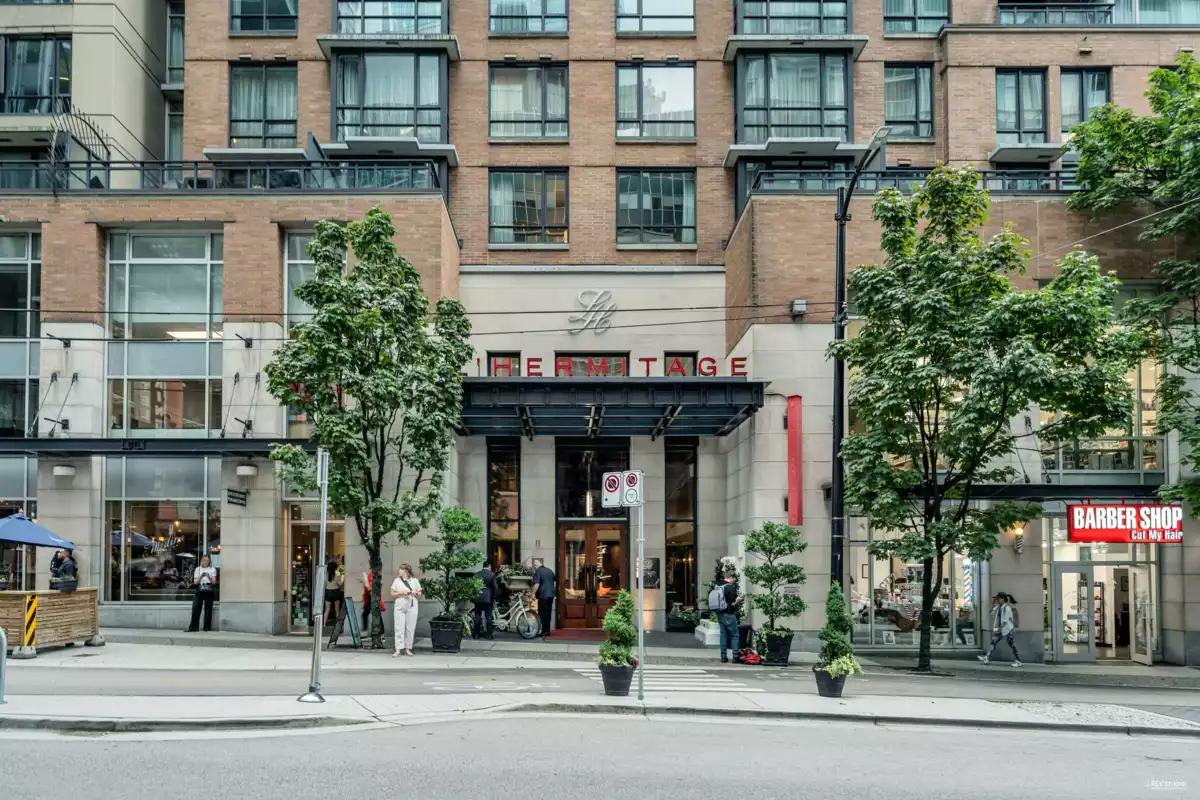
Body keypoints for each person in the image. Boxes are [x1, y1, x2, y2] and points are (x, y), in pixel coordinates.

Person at [977, 592, 1021, 666]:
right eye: (997, 599)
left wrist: (1000, 628)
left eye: (998, 599)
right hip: (1001, 629)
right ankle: (987, 657)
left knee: (1012, 645)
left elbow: (1005, 620)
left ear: (1003, 599)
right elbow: (991, 613)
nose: (997, 600)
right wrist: (994, 605)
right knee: (993, 642)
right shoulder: (999, 607)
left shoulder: (1007, 608)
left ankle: (1018, 661)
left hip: (1008, 629)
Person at [711, 571, 742, 664]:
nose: (735, 580)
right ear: (730, 577)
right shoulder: (730, 587)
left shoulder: (718, 586)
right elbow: (731, 604)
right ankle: (735, 656)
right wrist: (738, 600)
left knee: (723, 634)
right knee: (735, 635)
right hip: (729, 614)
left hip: (719, 613)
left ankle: (723, 657)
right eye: (734, 578)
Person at [390, 563, 422, 657]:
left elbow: (419, 591)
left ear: (406, 571)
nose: (399, 571)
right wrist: (403, 592)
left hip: (412, 604)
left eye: (401, 569)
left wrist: (416, 593)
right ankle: (398, 649)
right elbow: (392, 593)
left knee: (410, 627)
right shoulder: (397, 581)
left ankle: (408, 648)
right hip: (400, 604)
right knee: (399, 627)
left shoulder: (414, 581)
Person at [186, 555, 218, 632]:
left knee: (208, 608)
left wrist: (208, 577)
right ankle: (193, 627)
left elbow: (214, 582)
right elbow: (195, 582)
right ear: (202, 561)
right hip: (200, 588)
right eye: (204, 560)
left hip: (209, 588)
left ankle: (206, 627)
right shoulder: (198, 569)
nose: (206, 562)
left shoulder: (212, 569)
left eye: (207, 560)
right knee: (196, 607)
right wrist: (201, 577)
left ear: (209, 561)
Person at [531, 558, 556, 639]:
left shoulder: (538, 571)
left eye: (534, 566)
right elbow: (554, 580)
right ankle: (547, 630)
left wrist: (533, 594)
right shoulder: (549, 570)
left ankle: (544, 631)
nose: (534, 567)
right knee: (548, 613)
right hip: (551, 595)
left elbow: (537, 584)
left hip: (543, 595)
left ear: (535, 565)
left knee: (542, 614)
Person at [473, 562, 498, 640]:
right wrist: (495, 597)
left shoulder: (477, 574)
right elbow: (495, 587)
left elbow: (473, 586)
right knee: (489, 617)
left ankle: (476, 634)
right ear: (489, 566)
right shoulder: (492, 575)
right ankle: (489, 634)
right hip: (488, 599)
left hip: (477, 598)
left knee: (477, 616)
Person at [360, 569, 387, 636]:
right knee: (365, 615)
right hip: (370, 599)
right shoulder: (372, 573)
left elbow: (373, 588)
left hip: (373, 598)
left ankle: (380, 634)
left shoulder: (375, 573)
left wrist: (366, 584)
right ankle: (366, 632)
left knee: (376, 615)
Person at [323, 558, 344, 627]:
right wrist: (342, 579)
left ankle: (324, 624)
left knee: (327, 609)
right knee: (337, 610)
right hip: (336, 592)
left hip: (328, 592)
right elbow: (340, 584)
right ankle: (337, 625)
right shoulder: (337, 574)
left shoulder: (326, 575)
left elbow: (324, 584)